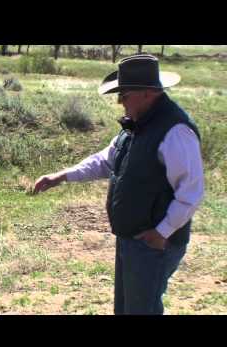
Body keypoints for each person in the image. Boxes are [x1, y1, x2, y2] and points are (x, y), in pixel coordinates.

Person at [33, 54, 204, 315]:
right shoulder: (138, 125)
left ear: (148, 93)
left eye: (124, 94)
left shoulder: (175, 131)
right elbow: (105, 160)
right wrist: (62, 176)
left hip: (154, 243)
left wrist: (161, 233)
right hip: (134, 240)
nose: (119, 101)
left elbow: (190, 193)